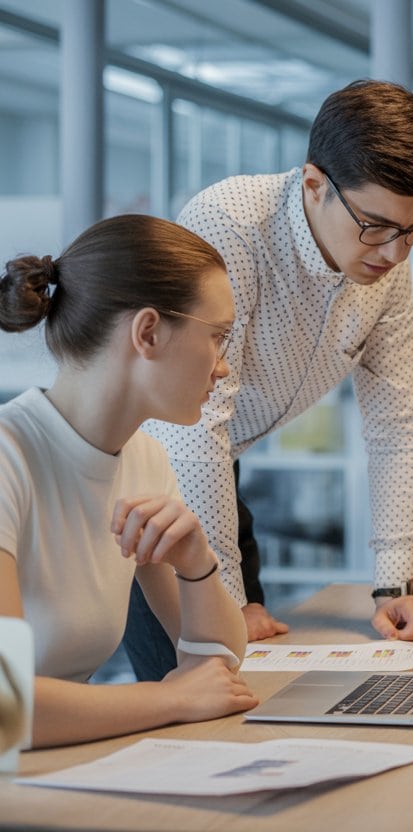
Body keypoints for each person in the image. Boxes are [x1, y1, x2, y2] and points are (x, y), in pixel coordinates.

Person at [125, 80, 413, 680]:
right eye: (379, 226)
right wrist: (218, 600)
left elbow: (397, 422)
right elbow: (199, 423)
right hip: (153, 469)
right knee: (195, 688)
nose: (398, 253)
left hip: (218, 466)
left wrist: (396, 585)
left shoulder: (383, 259)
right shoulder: (231, 225)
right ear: (314, 184)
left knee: (250, 690)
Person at [0, 215, 257, 747]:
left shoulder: (145, 460)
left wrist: (195, 560)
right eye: (217, 337)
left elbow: (222, 663)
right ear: (148, 332)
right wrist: (172, 698)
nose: (223, 367)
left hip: (52, 773)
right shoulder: (9, 457)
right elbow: (7, 704)